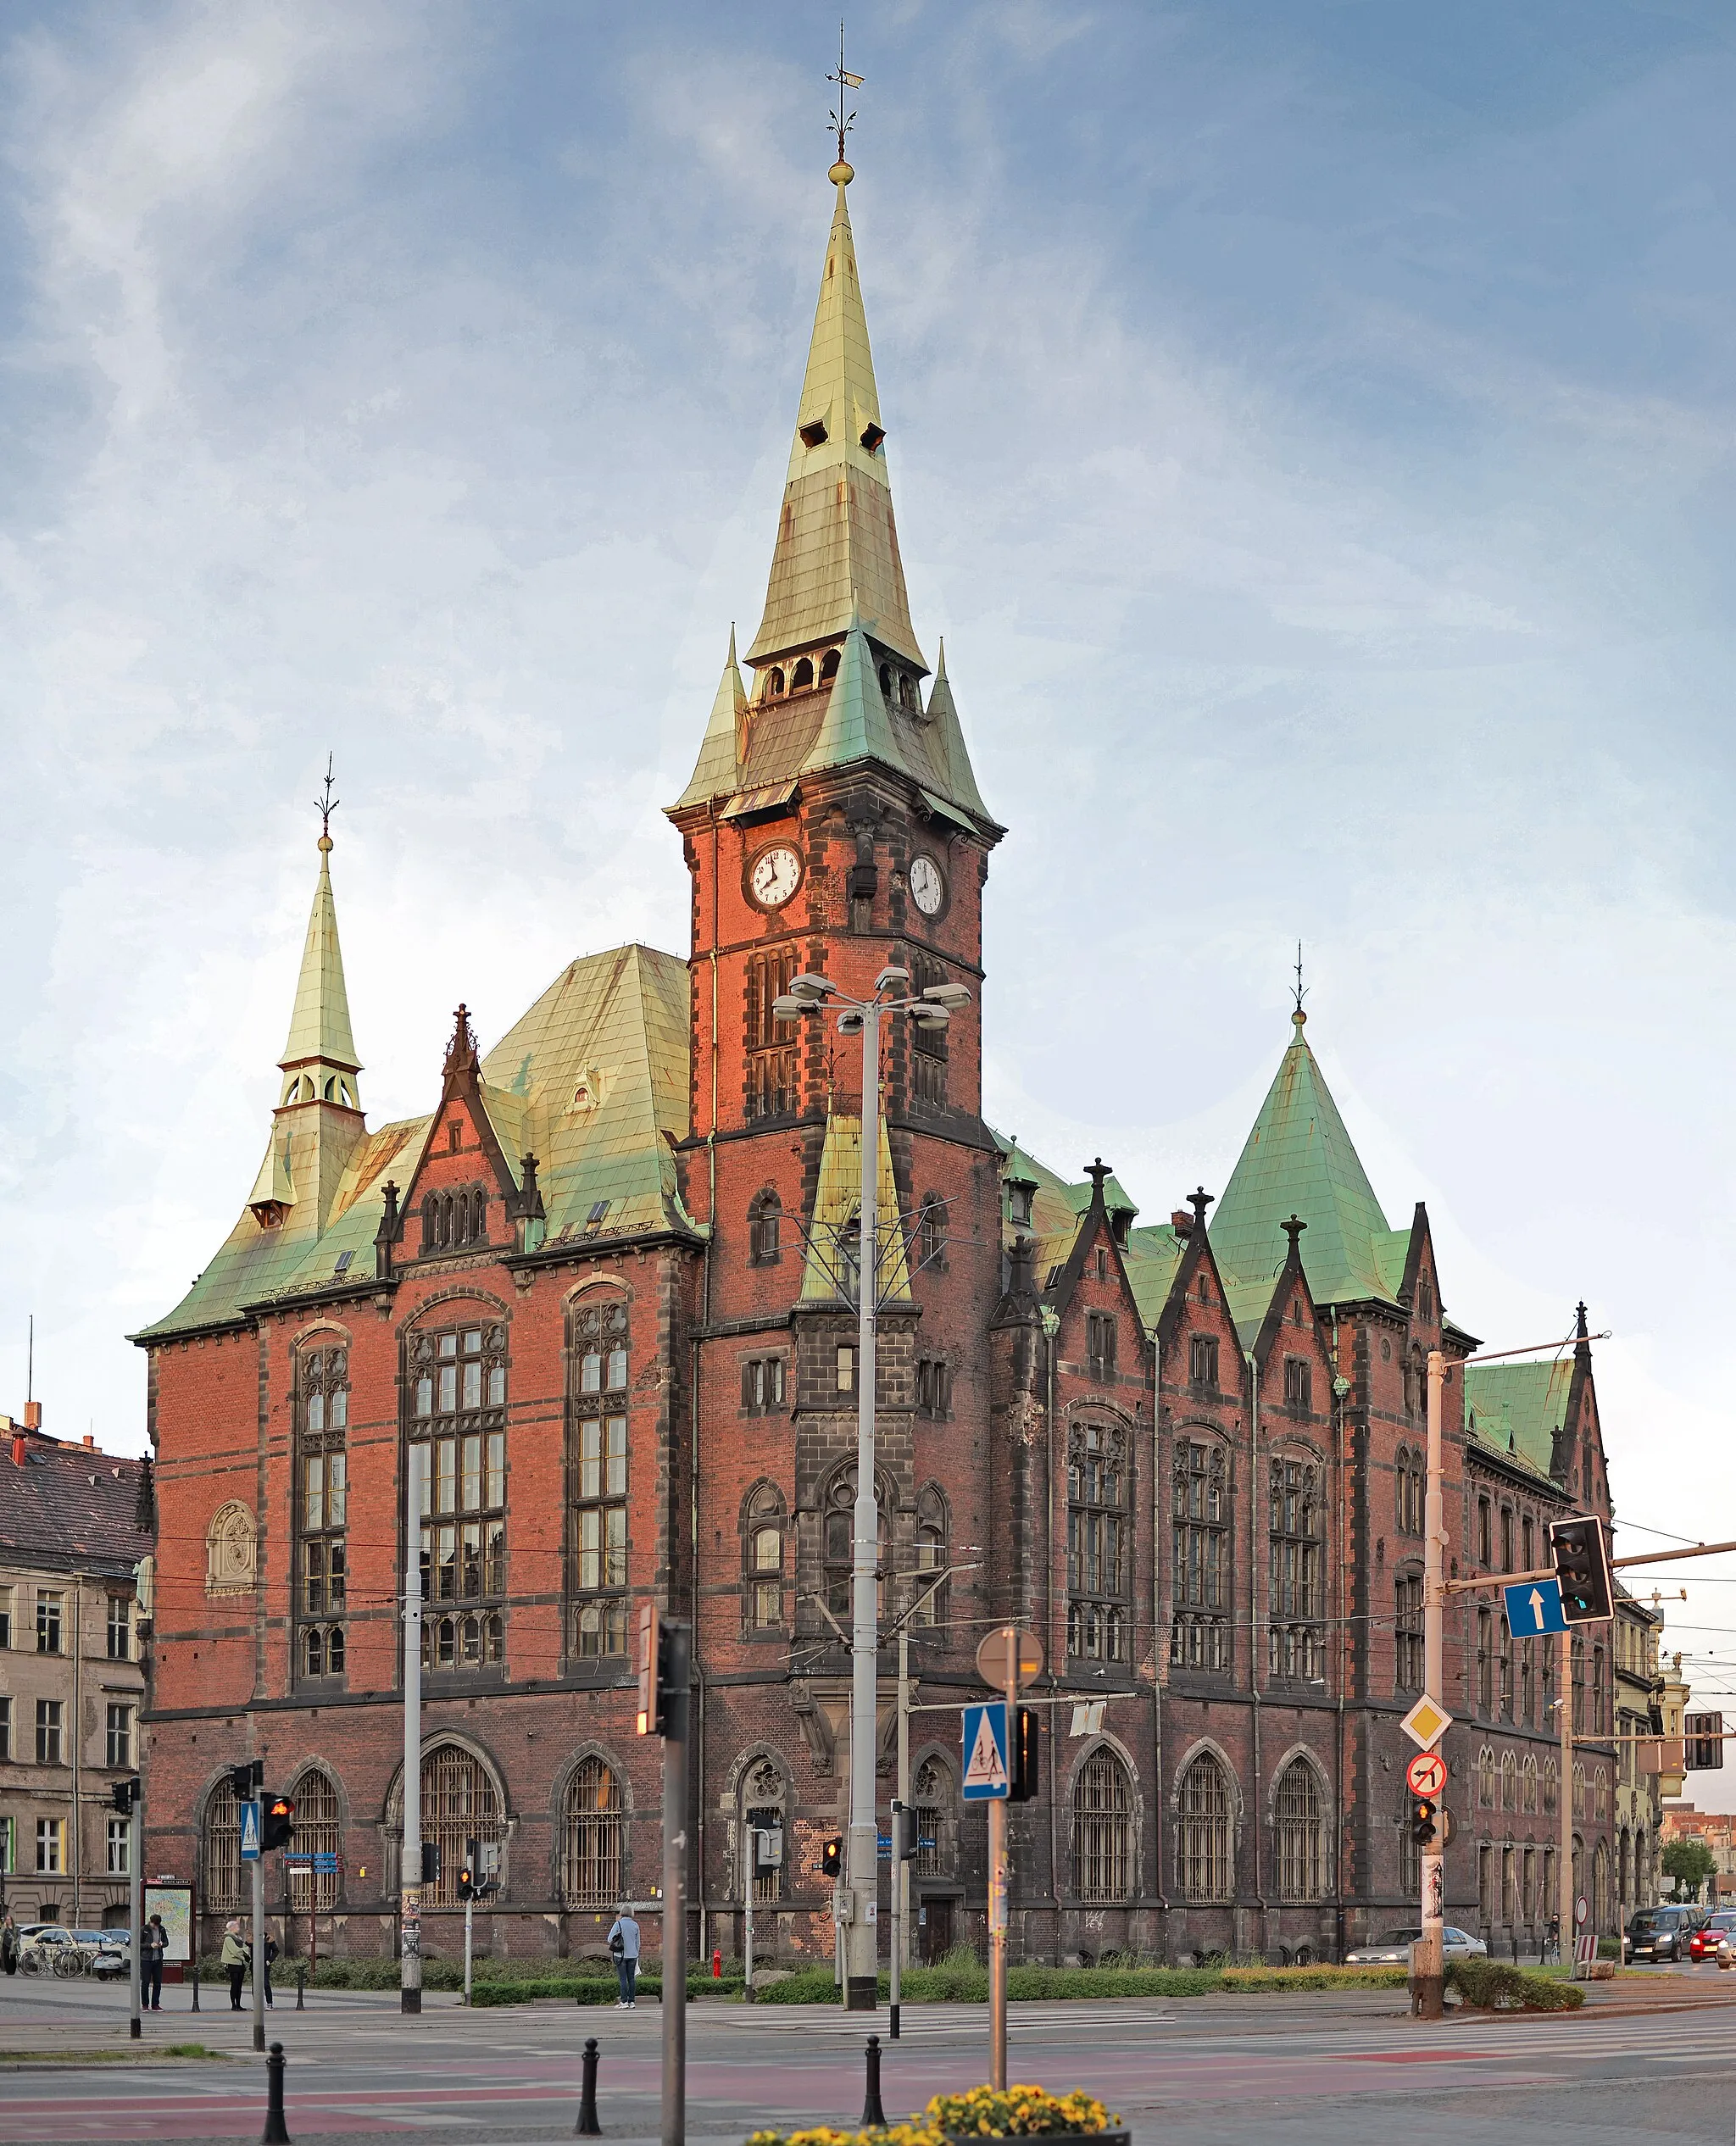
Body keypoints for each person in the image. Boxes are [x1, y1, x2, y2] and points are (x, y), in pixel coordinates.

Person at [607, 1905, 641, 2009]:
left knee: (623, 1979)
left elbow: (609, 1939)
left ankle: (624, 2001)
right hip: (633, 1955)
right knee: (631, 1979)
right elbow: (638, 1943)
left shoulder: (618, 1924)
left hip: (620, 1955)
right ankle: (632, 2001)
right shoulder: (635, 1925)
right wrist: (636, 1953)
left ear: (622, 1912)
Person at [220, 1919, 249, 2011]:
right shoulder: (229, 1938)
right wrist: (244, 1955)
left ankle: (239, 2004)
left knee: (239, 1985)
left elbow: (246, 1948)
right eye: (237, 1927)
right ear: (231, 1928)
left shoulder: (238, 1938)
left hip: (240, 1965)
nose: (238, 1928)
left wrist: (244, 1951)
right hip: (233, 1965)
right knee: (234, 1985)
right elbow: (235, 1951)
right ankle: (233, 2005)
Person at [141, 1914, 167, 2011]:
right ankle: (145, 2005)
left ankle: (155, 2004)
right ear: (150, 1922)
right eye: (154, 1925)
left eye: (157, 1925)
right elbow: (138, 1944)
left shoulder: (162, 1929)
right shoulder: (144, 1930)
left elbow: (166, 1942)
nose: (155, 1927)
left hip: (158, 1959)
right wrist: (149, 1945)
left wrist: (162, 1944)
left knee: (157, 1983)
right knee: (145, 1982)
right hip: (146, 1959)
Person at [263, 1932, 278, 2008]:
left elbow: (276, 1951)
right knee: (255, 1986)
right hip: (255, 1966)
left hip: (265, 1965)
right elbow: (246, 1947)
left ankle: (269, 2003)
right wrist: (249, 1960)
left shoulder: (268, 1939)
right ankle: (256, 2004)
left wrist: (269, 1961)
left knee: (266, 1984)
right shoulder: (253, 1938)